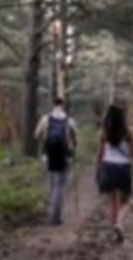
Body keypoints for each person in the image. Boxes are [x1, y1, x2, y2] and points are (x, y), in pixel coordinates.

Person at [34, 97, 78, 226]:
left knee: (52, 184)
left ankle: (51, 213)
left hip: (48, 156)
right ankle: (56, 216)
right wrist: (73, 148)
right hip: (64, 157)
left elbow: (36, 135)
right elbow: (75, 139)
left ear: (53, 105)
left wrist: (43, 145)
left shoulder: (45, 119)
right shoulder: (69, 120)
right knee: (61, 185)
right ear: (63, 105)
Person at [97, 104, 133, 243]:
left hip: (108, 167)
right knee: (125, 201)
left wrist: (99, 169)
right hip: (124, 168)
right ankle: (119, 223)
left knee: (112, 201)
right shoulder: (128, 132)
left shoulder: (104, 132)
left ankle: (114, 227)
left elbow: (100, 154)